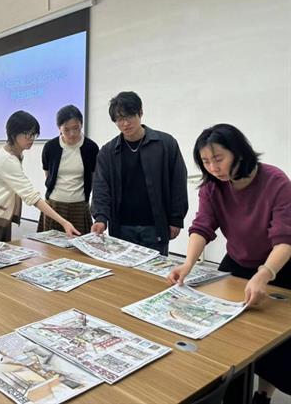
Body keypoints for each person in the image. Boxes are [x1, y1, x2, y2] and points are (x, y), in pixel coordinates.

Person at [167, 124, 291, 404]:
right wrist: (188, 264)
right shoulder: (212, 187)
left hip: (278, 266)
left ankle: (262, 394)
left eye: (218, 158)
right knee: (228, 335)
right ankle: (233, 390)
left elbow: (285, 238)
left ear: (238, 153)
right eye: (206, 161)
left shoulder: (276, 182)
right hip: (237, 262)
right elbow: (202, 226)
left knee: (274, 341)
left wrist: (264, 274)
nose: (213, 167)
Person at [91, 91, 188, 256]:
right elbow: (101, 187)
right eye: (119, 119)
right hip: (121, 226)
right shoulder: (108, 152)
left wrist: (176, 219)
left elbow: (178, 182)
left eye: (129, 116)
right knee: (122, 269)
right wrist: (100, 218)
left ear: (140, 113)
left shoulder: (165, 144)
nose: (125, 123)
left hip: (155, 225)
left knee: (155, 270)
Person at [0, 110, 80, 242]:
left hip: (0, 216)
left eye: (34, 134)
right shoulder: (7, 160)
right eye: (28, 134)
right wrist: (64, 223)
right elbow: (32, 197)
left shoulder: (16, 154)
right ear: (14, 133)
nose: (31, 138)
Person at [37, 105, 99, 234]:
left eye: (76, 128)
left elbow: (93, 177)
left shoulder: (91, 148)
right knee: (50, 244)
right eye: (66, 129)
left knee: (79, 243)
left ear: (81, 124)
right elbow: (48, 175)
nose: (72, 134)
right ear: (59, 128)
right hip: (54, 205)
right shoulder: (50, 147)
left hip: (79, 205)